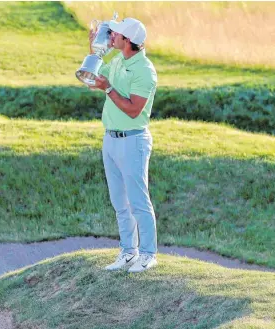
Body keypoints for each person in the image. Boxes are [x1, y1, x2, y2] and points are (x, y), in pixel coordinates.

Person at [88, 17, 158, 273]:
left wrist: (108, 90)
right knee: (120, 201)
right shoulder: (118, 60)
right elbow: (93, 79)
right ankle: (129, 252)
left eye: (116, 35)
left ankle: (148, 255)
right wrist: (94, 49)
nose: (112, 36)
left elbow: (133, 109)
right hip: (111, 139)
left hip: (133, 140)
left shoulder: (144, 70)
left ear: (128, 41)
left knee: (139, 201)